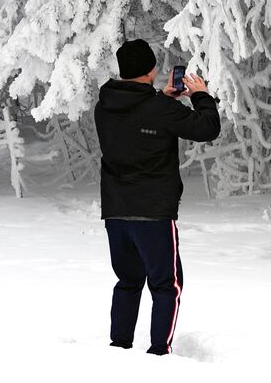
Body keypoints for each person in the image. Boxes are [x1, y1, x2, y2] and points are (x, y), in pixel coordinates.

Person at [94, 39, 221, 355]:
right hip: (153, 214)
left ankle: (119, 347)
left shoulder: (105, 106)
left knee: (128, 281)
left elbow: (137, 120)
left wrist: (161, 99)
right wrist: (201, 96)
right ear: (151, 70)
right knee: (167, 285)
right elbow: (207, 128)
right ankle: (158, 353)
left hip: (116, 211)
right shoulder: (158, 109)